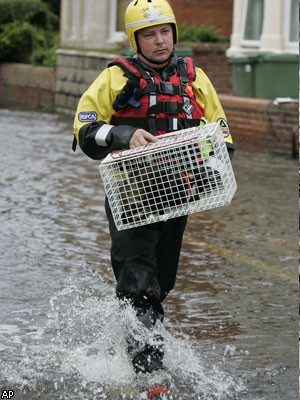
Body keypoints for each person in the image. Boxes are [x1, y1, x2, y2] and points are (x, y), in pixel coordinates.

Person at [73, 0, 234, 374]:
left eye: (165, 32)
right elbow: (84, 129)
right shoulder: (115, 78)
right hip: (130, 194)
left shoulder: (195, 78)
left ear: (173, 34)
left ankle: (127, 351)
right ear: (136, 40)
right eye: (149, 34)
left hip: (177, 194)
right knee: (137, 280)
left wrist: (211, 165)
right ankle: (150, 373)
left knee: (160, 283)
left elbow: (221, 133)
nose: (159, 41)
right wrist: (122, 134)